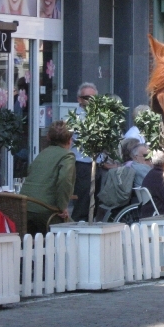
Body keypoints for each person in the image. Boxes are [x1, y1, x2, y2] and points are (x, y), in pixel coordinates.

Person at [20, 121, 75, 235]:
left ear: (48, 137)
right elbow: (65, 180)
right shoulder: (67, 156)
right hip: (46, 209)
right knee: (75, 232)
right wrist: (62, 207)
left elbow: (31, 172)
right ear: (70, 140)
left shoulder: (42, 153)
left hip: (25, 207)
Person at [70, 82, 98, 222]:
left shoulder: (101, 115)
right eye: (87, 97)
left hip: (98, 163)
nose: (90, 100)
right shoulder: (74, 117)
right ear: (79, 99)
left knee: (97, 199)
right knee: (83, 198)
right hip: (82, 163)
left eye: (94, 97)